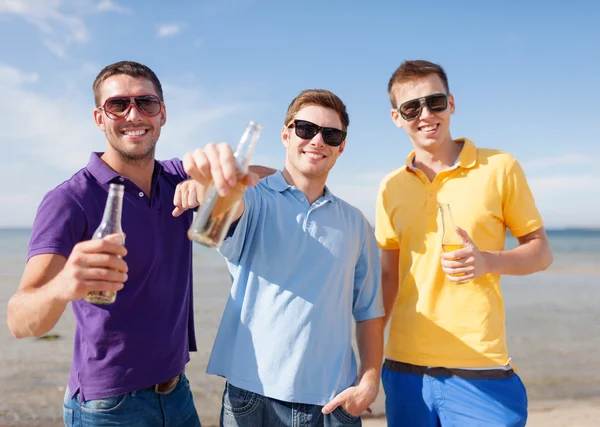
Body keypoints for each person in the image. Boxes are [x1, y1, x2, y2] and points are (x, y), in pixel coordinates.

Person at [6, 60, 206, 427]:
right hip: (109, 407)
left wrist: (213, 183)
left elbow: (259, 176)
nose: (134, 114)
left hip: (178, 394)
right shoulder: (70, 199)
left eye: (145, 103)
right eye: (118, 105)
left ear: (162, 113)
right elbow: (20, 321)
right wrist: (65, 285)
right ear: (100, 118)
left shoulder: (177, 178)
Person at [179, 89, 385, 427]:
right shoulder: (254, 198)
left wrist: (369, 381)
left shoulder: (356, 223)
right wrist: (209, 187)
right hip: (250, 399)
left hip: (333, 404)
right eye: (305, 129)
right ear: (286, 134)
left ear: (341, 147)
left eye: (331, 135)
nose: (317, 140)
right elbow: (226, 210)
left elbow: (369, 311)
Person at [375, 60, 553, 427]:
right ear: (397, 117)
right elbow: (387, 279)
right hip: (404, 369)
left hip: (480, 369)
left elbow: (541, 252)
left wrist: (488, 260)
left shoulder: (500, 167)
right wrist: (366, 361)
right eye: (412, 107)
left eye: (434, 102)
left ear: (451, 104)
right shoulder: (390, 186)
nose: (425, 114)